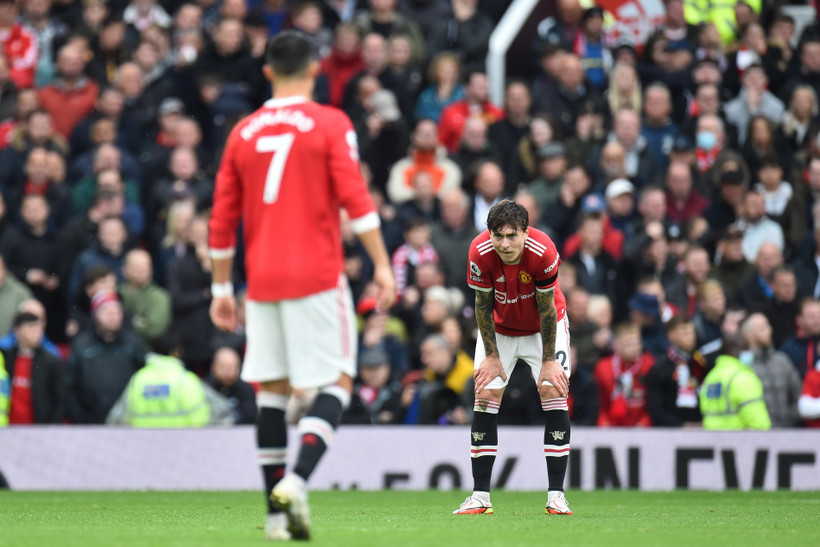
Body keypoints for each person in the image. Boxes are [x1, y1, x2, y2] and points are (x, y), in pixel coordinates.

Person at [207, 32, 396, 541]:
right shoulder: (330, 122)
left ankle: (274, 517)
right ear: (314, 70)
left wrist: (221, 290)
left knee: (271, 390)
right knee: (337, 381)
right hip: (316, 276)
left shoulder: (243, 131)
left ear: (267, 72)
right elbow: (355, 196)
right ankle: (296, 480)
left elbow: (221, 217)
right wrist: (381, 264)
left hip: (262, 282)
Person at [453, 199, 571, 516]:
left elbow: (546, 308)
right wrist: (490, 356)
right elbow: (481, 304)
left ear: (525, 232)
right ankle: (480, 496)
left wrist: (549, 360)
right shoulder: (479, 252)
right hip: (500, 329)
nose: (504, 244)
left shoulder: (543, 251)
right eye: (498, 235)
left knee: (553, 390)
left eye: (512, 236)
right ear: (489, 233)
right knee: (485, 394)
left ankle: (556, 495)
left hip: (542, 329)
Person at [106, 333, 213, 427]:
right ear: (175, 352)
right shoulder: (185, 380)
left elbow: (118, 418)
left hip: (143, 444)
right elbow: (201, 419)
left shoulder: (139, 379)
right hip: (179, 445)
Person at [700, 331, 771, 430]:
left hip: (713, 441)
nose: (750, 352)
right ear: (732, 350)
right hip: (740, 442)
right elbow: (759, 423)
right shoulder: (743, 378)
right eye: (745, 348)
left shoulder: (711, 376)